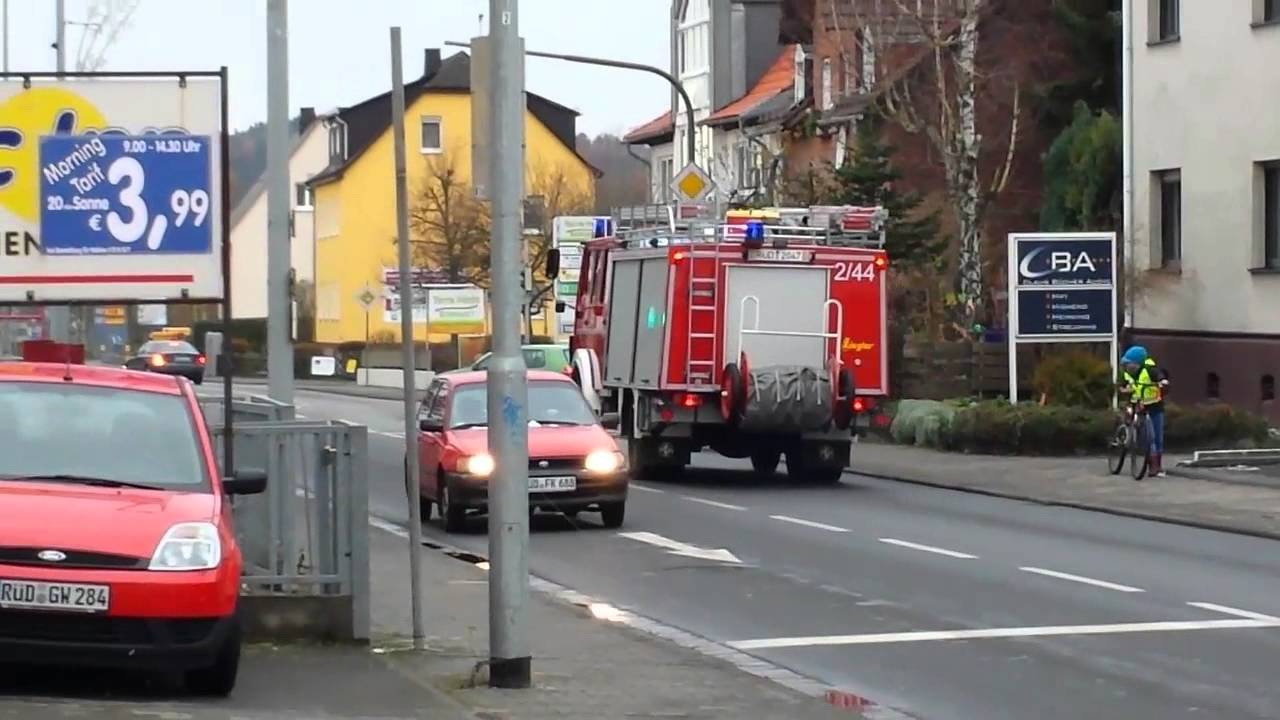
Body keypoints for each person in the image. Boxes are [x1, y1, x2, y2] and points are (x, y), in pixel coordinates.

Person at [1118, 345, 1170, 477]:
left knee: (1157, 437)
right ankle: (1151, 464)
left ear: (1137, 364)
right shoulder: (1127, 374)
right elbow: (1122, 385)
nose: (1128, 367)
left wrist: (1162, 381)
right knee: (1148, 437)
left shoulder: (1149, 370)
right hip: (1138, 405)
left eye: (1130, 364)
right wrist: (1124, 389)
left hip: (1154, 406)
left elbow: (1159, 375)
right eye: (1127, 364)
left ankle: (1157, 465)